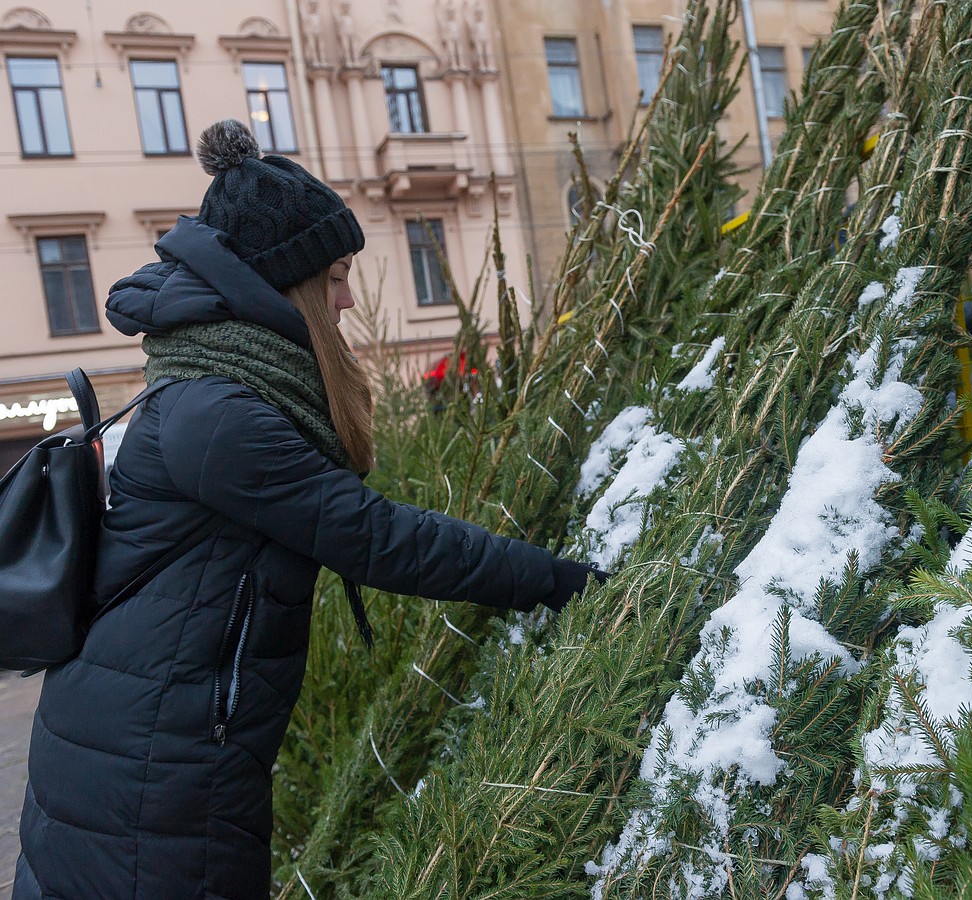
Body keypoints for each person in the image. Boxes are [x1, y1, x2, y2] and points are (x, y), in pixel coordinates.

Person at [13, 119, 606, 900]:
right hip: (152, 777)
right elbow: (383, 540)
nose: (350, 296)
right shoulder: (222, 415)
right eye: (335, 276)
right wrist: (565, 582)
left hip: (145, 750)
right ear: (283, 284)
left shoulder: (214, 379)